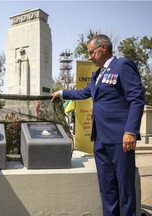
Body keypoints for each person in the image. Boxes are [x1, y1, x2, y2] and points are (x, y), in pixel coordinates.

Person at [51, 34, 145, 216]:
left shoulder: (123, 66)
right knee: (107, 188)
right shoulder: (97, 74)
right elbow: (84, 93)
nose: (89, 56)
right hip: (100, 140)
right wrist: (62, 93)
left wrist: (130, 131)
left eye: (91, 52)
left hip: (120, 139)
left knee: (125, 188)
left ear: (103, 48)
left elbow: (136, 99)